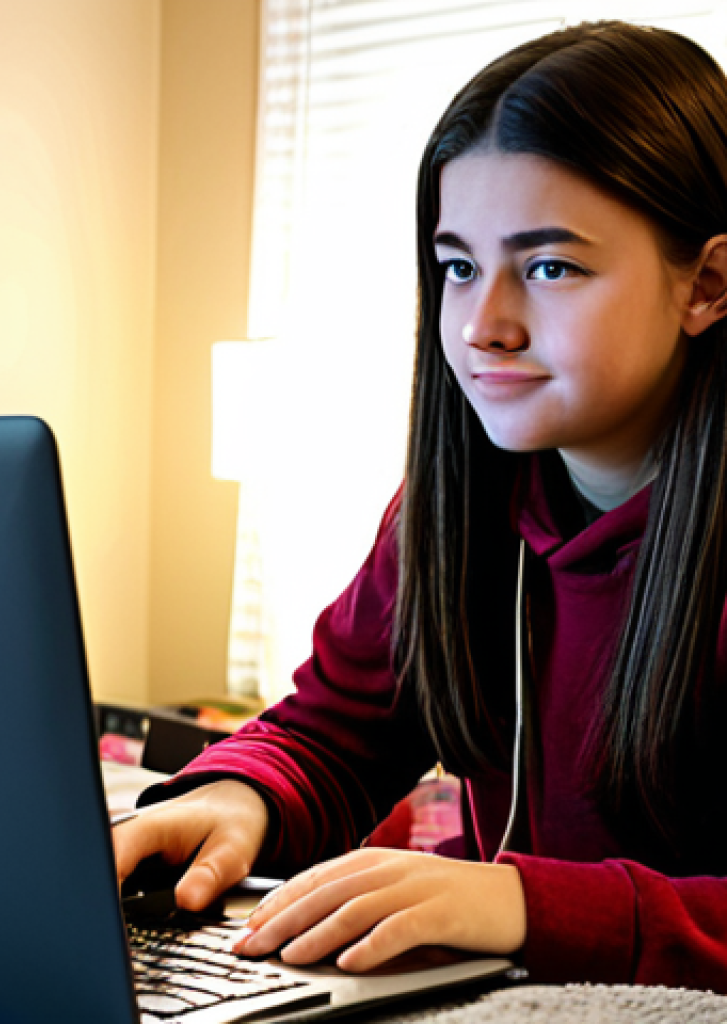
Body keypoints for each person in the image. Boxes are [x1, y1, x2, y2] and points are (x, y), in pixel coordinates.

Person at [112, 20, 727, 992]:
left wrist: (524, 903)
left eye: (549, 266)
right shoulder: (462, 502)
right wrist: (240, 797)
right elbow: (336, 726)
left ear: (706, 283)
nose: (485, 325)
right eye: (457, 266)